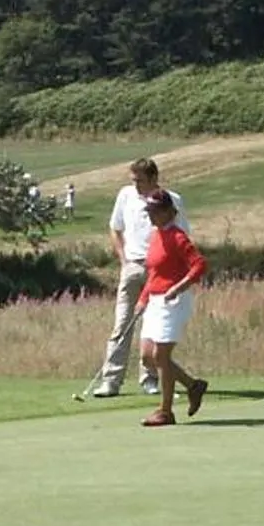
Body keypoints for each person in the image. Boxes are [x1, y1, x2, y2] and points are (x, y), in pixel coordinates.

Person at [83, 158, 186, 398]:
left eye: (140, 181)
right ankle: (111, 381)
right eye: (133, 180)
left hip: (160, 272)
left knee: (153, 328)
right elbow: (115, 228)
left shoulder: (171, 200)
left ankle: (150, 379)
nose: (136, 185)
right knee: (121, 325)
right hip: (132, 266)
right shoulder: (126, 195)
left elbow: (181, 236)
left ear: (153, 178)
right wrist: (124, 260)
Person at [136, 192, 208, 426]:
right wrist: (143, 298)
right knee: (147, 357)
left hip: (174, 301)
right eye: (149, 212)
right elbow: (154, 273)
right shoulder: (155, 236)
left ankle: (165, 412)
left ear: (169, 212)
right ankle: (192, 386)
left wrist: (178, 288)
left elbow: (199, 265)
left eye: (155, 212)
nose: (151, 216)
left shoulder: (178, 237)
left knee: (161, 355)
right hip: (155, 300)